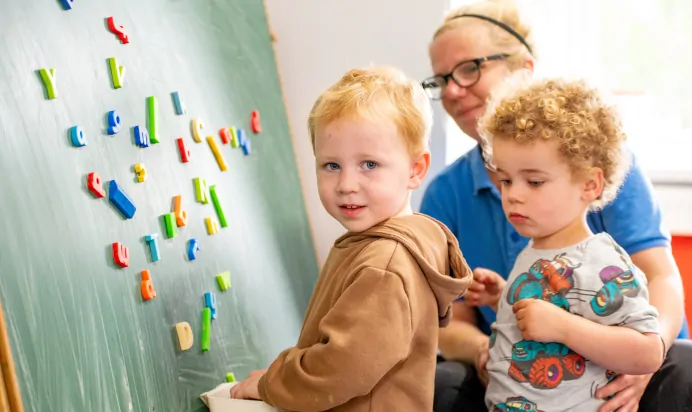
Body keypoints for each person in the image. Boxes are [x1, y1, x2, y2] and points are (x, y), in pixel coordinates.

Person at [419, 1, 692, 411]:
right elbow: (448, 324)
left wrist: (640, 363)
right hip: (523, 379)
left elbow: (660, 280)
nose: (454, 90)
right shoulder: (445, 192)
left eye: (470, 68)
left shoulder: (595, 173)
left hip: (618, 366)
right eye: (442, 80)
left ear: (524, 68)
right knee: (439, 381)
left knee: (686, 364)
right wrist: (492, 332)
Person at [229, 66, 473, 411]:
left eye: (369, 165)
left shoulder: (385, 264)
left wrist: (272, 383)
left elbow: (340, 369)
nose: (346, 184)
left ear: (416, 170)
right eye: (331, 165)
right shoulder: (383, 243)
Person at [474, 73, 665, 411]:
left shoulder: (603, 262)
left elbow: (647, 351)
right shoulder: (535, 249)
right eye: (505, 180)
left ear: (590, 185)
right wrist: (501, 296)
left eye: (534, 181)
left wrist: (564, 328)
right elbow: (556, 304)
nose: (513, 195)